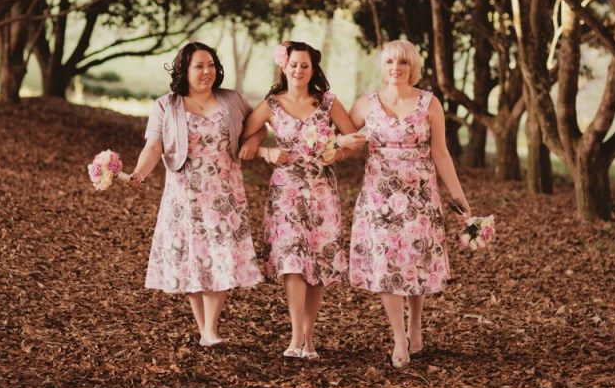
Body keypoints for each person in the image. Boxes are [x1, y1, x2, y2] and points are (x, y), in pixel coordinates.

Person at [126, 42, 262, 348]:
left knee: (220, 257)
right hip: (184, 195)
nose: (207, 71)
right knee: (194, 259)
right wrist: (139, 173)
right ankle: (206, 331)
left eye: (211, 65)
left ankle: (211, 328)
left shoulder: (232, 99)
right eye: (199, 66)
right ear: (184, 70)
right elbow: (153, 147)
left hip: (224, 193)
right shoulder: (165, 105)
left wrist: (253, 142)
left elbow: (258, 126)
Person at [347, 39, 471, 369]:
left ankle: (415, 324)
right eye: (390, 61)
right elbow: (339, 140)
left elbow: (441, 153)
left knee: (415, 260)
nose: (395, 68)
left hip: (420, 197)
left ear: (412, 67)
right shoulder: (365, 103)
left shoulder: (430, 103)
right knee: (388, 263)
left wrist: (458, 197)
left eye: (402, 62)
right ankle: (399, 336)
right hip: (379, 198)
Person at [238, 41, 366, 360]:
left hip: (321, 190)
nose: (298, 70)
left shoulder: (328, 102)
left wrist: (334, 152)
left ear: (313, 69)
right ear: (284, 66)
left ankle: (309, 339)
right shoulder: (272, 104)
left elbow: (354, 143)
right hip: (286, 191)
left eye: (304, 65)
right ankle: (295, 337)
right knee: (293, 260)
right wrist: (266, 151)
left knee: (316, 264)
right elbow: (243, 138)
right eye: (293, 64)